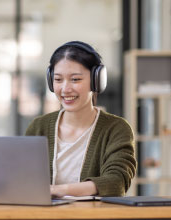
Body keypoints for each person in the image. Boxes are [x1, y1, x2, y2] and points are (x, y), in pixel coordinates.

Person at [25, 41, 136, 197]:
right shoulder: (39, 126)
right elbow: (22, 178)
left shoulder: (116, 129)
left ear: (96, 81)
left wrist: (59, 190)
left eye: (75, 79)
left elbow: (116, 181)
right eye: (58, 80)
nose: (65, 89)